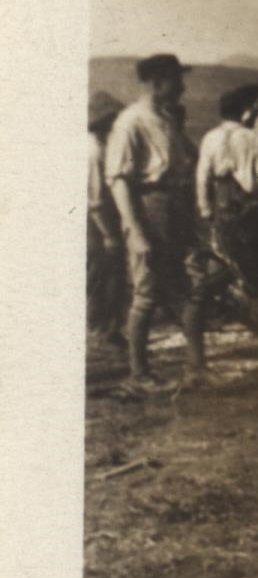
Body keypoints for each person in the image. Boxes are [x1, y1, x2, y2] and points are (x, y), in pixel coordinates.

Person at [103, 53, 206, 389]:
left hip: (177, 208)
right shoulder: (130, 122)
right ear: (158, 82)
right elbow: (119, 181)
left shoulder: (165, 120)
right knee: (147, 291)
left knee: (196, 283)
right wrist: (135, 232)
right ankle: (139, 374)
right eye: (177, 80)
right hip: (151, 208)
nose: (182, 87)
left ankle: (196, 368)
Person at [196, 84, 258, 225]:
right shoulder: (253, 137)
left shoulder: (210, 137)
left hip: (221, 200)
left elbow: (202, 175)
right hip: (248, 201)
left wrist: (205, 208)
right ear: (243, 111)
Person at [87, 91, 128, 347]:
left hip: (97, 221)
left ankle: (103, 327)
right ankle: (104, 329)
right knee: (106, 274)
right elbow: (96, 200)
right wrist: (110, 234)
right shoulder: (95, 151)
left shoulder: (97, 147)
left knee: (100, 275)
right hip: (98, 223)